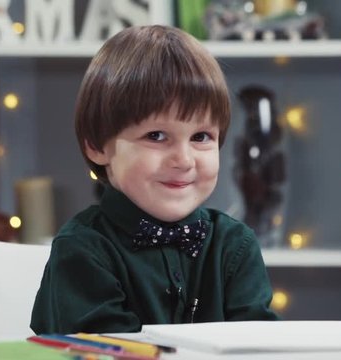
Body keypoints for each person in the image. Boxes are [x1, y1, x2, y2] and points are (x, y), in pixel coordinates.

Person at [31, 25, 278, 335]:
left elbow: (257, 347)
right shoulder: (82, 250)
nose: (184, 160)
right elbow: (107, 353)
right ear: (96, 145)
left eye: (201, 136)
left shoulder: (235, 246)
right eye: (157, 136)